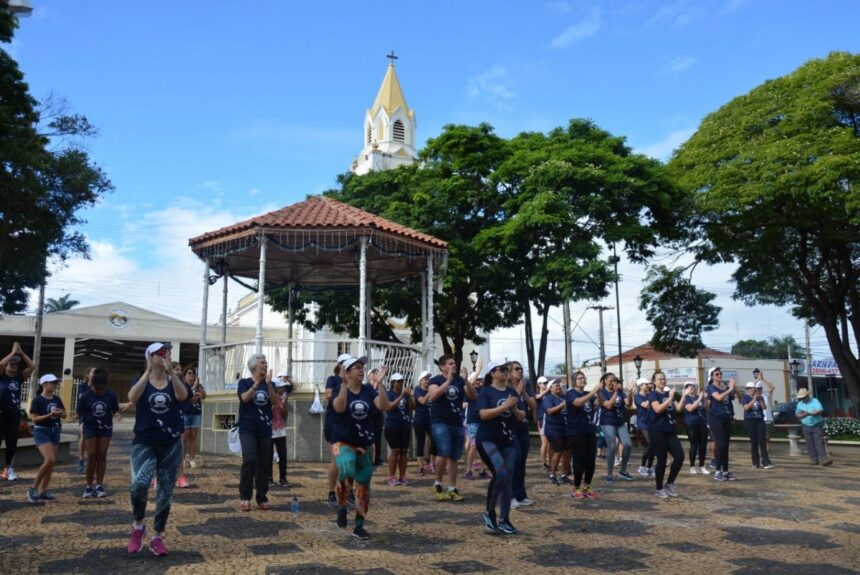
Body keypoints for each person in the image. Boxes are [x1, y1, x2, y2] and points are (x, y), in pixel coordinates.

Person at [127, 342, 188, 556]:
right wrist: (147, 371)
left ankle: (157, 537)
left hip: (170, 442)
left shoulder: (174, 381)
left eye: (167, 352)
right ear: (150, 357)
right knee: (139, 485)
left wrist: (172, 373)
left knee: (165, 491)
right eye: (159, 353)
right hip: (144, 441)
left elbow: (182, 396)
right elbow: (132, 397)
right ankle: (138, 526)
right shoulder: (142, 381)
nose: (164, 356)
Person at [331, 355, 390, 539]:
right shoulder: (338, 389)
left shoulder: (368, 390)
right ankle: (342, 507)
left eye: (362, 368)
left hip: (364, 442)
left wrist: (380, 384)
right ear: (347, 372)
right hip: (342, 441)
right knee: (347, 469)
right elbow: (339, 408)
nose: (361, 371)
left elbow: (383, 405)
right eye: (357, 368)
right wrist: (343, 385)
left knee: (364, 483)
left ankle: (359, 525)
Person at [476, 360, 523, 535]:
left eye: (505, 369)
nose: (505, 371)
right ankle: (489, 513)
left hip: (507, 440)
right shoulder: (485, 391)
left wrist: (514, 409)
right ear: (492, 373)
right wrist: (504, 406)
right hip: (487, 439)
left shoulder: (512, 392)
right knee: (501, 474)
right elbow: (483, 414)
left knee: (508, 478)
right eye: (501, 369)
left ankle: (505, 519)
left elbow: (521, 416)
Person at [428, 354, 476, 502]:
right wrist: (448, 381)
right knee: (444, 452)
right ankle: (438, 484)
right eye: (450, 363)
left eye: (454, 363)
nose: (454, 365)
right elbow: (434, 396)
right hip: (440, 422)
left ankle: (452, 488)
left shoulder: (459, 381)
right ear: (442, 367)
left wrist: (466, 380)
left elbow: (473, 397)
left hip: (457, 422)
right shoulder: (435, 380)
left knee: (454, 456)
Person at [77, 367, 127, 498]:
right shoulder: (86, 396)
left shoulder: (110, 395)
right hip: (90, 427)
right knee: (91, 455)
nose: (99, 391)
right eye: (97, 388)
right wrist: (78, 418)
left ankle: (99, 484)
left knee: (102, 454)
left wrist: (117, 415)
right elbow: (79, 411)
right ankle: (88, 486)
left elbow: (115, 409)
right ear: (92, 385)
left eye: (102, 388)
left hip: (105, 428)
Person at [237, 354, 276, 511]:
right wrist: (258, 383)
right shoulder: (244, 382)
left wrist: (269, 384)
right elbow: (245, 398)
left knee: (264, 464)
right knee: (250, 459)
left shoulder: (269, 384)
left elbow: (274, 401)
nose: (265, 365)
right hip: (247, 428)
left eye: (266, 362)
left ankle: (262, 497)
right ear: (254, 366)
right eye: (262, 363)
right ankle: (245, 497)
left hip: (264, 429)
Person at [27, 374, 66, 503]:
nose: (55, 385)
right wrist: (50, 414)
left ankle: (43, 491)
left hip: (55, 430)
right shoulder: (37, 400)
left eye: (56, 383)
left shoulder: (57, 399)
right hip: (42, 431)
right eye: (52, 383)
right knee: (50, 459)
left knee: (51, 463)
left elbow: (65, 414)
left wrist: (61, 413)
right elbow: (34, 419)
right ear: (44, 384)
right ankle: (33, 488)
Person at [647, 371, 684, 499]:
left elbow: (679, 408)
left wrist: (683, 396)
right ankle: (659, 488)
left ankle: (669, 483)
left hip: (670, 430)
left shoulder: (669, 394)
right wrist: (669, 398)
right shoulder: (653, 394)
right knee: (662, 460)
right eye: (659, 379)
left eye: (664, 379)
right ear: (654, 381)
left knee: (679, 456)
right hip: (657, 430)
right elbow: (657, 409)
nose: (662, 381)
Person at [1, 342, 34, 482]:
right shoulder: (1, 377)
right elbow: (0, 364)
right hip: (1, 414)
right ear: (6, 366)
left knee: (12, 443)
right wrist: (12, 353)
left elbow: (32, 367)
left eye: (16, 364)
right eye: (12, 363)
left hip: (13, 415)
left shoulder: (19, 378)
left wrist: (21, 353)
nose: (14, 366)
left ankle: (9, 469)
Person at [324, 354, 353, 508]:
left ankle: (349, 490)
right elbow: (328, 395)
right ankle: (331, 493)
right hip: (334, 422)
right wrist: (342, 387)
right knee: (336, 458)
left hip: (349, 422)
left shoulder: (354, 382)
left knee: (350, 458)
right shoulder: (333, 379)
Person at [565, 370, 599, 499]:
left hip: (589, 430)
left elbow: (599, 403)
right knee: (580, 460)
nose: (582, 380)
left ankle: (587, 486)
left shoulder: (587, 393)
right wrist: (593, 392)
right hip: (576, 431)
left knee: (591, 460)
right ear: (574, 381)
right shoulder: (570, 393)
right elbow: (578, 403)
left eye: (583, 378)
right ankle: (576, 487)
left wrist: (599, 392)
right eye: (579, 378)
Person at [597, 372, 635, 484]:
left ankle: (623, 471)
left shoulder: (620, 392)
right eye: (611, 380)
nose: (613, 382)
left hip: (619, 422)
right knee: (612, 446)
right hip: (607, 422)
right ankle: (609, 474)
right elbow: (609, 405)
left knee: (628, 444)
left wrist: (630, 392)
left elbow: (628, 404)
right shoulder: (602, 392)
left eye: (615, 380)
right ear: (604, 381)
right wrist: (616, 392)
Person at [508, 360, 536, 508]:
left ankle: (521, 495)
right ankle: (510, 495)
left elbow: (534, 406)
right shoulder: (506, 388)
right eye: (517, 369)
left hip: (523, 428)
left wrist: (524, 393)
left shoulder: (524, 386)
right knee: (515, 460)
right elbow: (507, 404)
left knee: (522, 462)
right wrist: (518, 392)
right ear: (509, 371)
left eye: (521, 369)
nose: (520, 371)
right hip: (510, 428)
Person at [706, 366, 738, 481]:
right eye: (717, 374)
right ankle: (717, 471)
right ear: (712, 377)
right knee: (721, 444)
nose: (720, 375)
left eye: (720, 374)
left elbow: (733, 397)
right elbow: (718, 398)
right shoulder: (710, 387)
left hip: (726, 418)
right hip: (716, 419)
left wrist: (733, 387)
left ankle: (725, 471)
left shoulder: (724, 387)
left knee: (726, 446)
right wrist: (729, 389)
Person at [384, 372, 414, 486]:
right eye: (398, 381)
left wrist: (410, 396)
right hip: (392, 425)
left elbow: (412, 407)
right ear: (392, 383)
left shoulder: (406, 395)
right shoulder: (389, 394)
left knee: (404, 451)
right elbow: (390, 407)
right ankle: (392, 477)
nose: (401, 383)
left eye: (402, 381)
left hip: (405, 425)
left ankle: (402, 476)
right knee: (395, 450)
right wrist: (401, 396)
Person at [795, 388, 833, 466]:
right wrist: (802, 415)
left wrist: (811, 413)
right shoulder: (800, 404)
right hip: (805, 424)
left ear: (807, 396)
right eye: (801, 398)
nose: (802, 399)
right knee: (809, 443)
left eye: (803, 397)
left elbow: (820, 410)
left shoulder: (814, 401)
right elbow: (797, 414)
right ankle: (814, 459)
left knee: (819, 441)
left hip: (816, 424)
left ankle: (823, 458)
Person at [464, 370, 489, 481]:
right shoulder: (469, 391)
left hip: (484, 421)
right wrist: (478, 371)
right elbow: (470, 388)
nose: (479, 382)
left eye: (481, 380)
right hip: (473, 421)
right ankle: (469, 470)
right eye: (477, 380)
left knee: (485, 446)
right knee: (474, 445)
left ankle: (482, 470)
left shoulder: (485, 391)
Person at [542, 378, 568, 486]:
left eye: (558, 385)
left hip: (565, 428)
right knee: (558, 451)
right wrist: (563, 404)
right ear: (550, 388)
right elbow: (550, 411)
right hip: (553, 428)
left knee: (567, 452)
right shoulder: (548, 398)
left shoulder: (563, 397)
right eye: (555, 385)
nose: (558, 386)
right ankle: (552, 475)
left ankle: (564, 475)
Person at [269, 372, 293, 487]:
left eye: (283, 387)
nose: (283, 389)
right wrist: (274, 404)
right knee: (268, 455)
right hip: (270, 430)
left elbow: (285, 415)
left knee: (283, 455)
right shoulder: (269, 398)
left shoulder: (282, 398)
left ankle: (283, 478)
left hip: (281, 430)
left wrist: (283, 406)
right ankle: (269, 478)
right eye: (280, 387)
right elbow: (269, 414)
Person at [680, 382, 709, 474]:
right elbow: (690, 408)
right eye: (688, 387)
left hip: (702, 423)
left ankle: (702, 466)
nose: (691, 388)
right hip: (691, 423)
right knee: (694, 444)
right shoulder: (686, 398)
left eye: (693, 386)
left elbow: (707, 408)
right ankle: (692, 466)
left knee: (703, 445)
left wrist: (704, 398)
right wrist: (699, 398)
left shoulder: (698, 397)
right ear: (685, 389)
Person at [742, 381, 772, 469]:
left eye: (754, 388)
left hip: (760, 420)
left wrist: (760, 399)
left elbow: (764, 407)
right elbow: (746, 407)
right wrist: (754, 400)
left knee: (762, 441)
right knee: (754, 442)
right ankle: (755, 462)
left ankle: (765, 462)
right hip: (750, 420)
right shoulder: (745, 397)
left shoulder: (760, 397)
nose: (753, 390)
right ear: (748, 389)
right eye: (751, 388)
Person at [182, 365, 206, 470]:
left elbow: (204, 396)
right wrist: (193, 388)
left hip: (196, 413)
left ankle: (191, 459)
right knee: (185, 436)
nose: (191, 376)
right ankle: (182, 459)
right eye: (189, 373)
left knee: (193, 436)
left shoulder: (198, 385)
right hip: (185, 412)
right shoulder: (182, 385)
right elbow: (187, 396)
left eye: (193, 374)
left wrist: (199, 391)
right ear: (185, 376)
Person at [412, 370, 435, 475]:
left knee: (434, 441)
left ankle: (432, 463)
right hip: (420, 419)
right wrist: (430, 392)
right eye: (425, 379)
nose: (428, 381)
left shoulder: (432, 389)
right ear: (420, 381)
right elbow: (422, 401)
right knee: (420, 442)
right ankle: (421, 466)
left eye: (429, 379)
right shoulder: (418, 389)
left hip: (431, 419)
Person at [75, 367, 96, 474]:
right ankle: (81, 458)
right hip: (84, 413)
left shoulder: (100, 386)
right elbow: (81, 396)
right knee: (83, 434)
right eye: (93, 372)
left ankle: (92, 459)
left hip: (96, 414)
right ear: (88, 374)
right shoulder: (83, 386)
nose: (95, 374)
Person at [633, 378, 655, 477]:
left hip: (652, 423)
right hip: (642, 423)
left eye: (648, 384)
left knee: (653, 446)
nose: (648, 386)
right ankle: (642, 466)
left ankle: (649, 467)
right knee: (650, 443)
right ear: (640, 386)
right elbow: (645, 405)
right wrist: (652, 395)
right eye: (646, 384)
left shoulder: (650, 395)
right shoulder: (637, 396)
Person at [753, 368, 776, 451]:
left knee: (767, 437)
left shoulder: (766, 394)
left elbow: (772, 387)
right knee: (758, 436)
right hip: (757, 418)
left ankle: (767, 451)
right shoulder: (753, 395)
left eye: (760, 388)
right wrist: (758, 379)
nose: (758, 389)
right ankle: (761, 451)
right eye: (757, 388)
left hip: (767, 418)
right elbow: (750, 386)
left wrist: (763, 379)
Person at [535, 376, 551, 472]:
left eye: (546, 383)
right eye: (544, 383)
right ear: (539, 384)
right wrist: (548, 390)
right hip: (542, 419)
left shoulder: (549, 394)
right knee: (544, 443)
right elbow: (538, 397)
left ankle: (549, 463)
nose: (546, 385)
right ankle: (544, 463)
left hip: (550, 419)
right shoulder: (537, 394)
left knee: (549, 443)